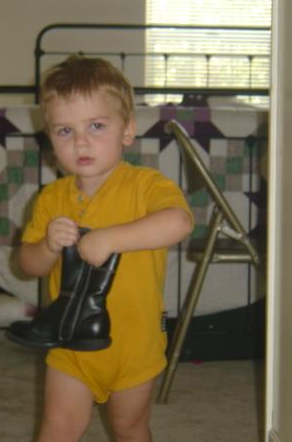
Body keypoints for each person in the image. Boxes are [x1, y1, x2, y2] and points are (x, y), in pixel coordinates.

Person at [19, 55, 193, 442]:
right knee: (58, 427)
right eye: (65, 130)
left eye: (96, 126)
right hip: (69, 340)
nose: (80, 141)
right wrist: (48, 245)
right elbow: (29, 264)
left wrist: (111, 238)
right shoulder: (50, 198)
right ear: (50, 138)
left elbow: (179, 222)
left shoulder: (147, 186)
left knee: (128, 428)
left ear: (127, 130)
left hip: (134, 346)